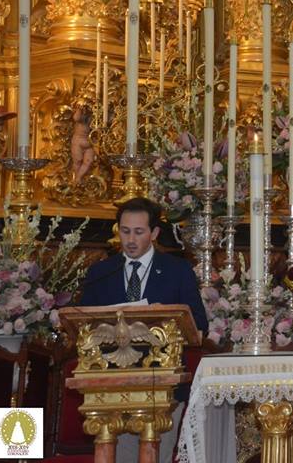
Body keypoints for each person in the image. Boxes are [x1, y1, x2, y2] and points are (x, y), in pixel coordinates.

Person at [80, 197, 208, 462]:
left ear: (154, 233)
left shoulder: (177, 270)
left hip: (163, 382)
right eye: (125, 231)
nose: (130, 239)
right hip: (110, 384)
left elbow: (199, 324)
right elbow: (82, 323)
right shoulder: (101, 272)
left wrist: (163, 317)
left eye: (138, 232)